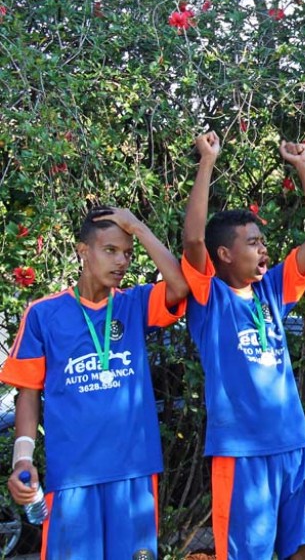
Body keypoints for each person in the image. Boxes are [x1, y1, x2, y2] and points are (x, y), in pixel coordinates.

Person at [2, 206, 189, 557]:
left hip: (133, 472)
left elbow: (179, 286)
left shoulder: (134, 304)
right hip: (72, 476)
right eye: (110, 250)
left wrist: (139, 228)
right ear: (82, 250)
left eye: (128, 253)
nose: (121, 262)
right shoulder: (43, 314)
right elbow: (27, 394)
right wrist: (22, 459)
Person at [181, 131, 305, 560]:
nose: (263, 249)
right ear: (225, 255)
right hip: (242, 456)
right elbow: (194, 241)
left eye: (263, 241)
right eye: (252, 242)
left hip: (296, 450)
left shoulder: (273, 292)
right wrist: (207, 161)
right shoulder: (209, 300)